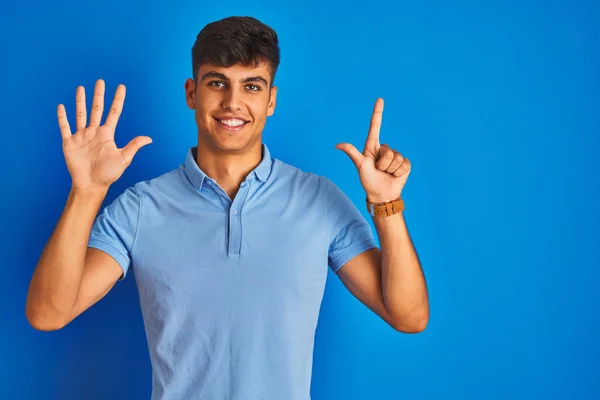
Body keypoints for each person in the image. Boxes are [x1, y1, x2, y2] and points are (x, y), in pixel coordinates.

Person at [25, 16, 429, 400]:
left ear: (271, 100)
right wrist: (87, 191)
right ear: (191, 93)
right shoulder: (139, 208)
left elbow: (408, 316)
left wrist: (385, 203)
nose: (233, 102)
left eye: (252, 86)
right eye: (217, 83)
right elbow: (48, 314)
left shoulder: (319, 200)